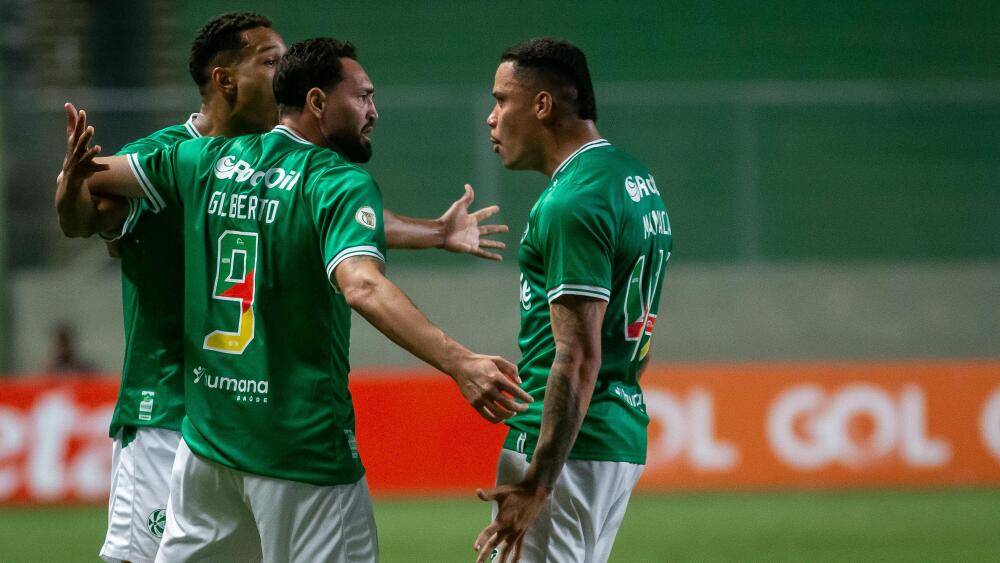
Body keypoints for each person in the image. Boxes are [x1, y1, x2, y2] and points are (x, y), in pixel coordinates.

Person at [55, 13, 510, 563]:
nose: (374, 111)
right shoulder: (331, 180)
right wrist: (461, 362)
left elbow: (95, 176)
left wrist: (434, 232)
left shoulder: (205, 161)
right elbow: (362, 284)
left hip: (210, 441)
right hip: (288, 441)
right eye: (363, 97)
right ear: (316, 102)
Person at [473, 38, 672, 563]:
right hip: (611, 435)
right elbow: (632, 340)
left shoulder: (572, 200)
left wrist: (537, 482)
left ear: (542, 105)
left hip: (561, 449)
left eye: (500, 100)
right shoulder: (633, 180)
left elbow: (579, 354)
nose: (491, 119)